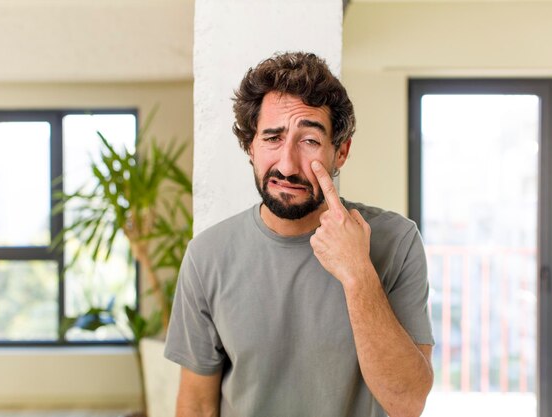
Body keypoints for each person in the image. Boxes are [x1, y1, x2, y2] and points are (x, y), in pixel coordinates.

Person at [164, 51, 434, 417]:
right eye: (272, 138)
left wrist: (358, 273)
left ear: (341, 151)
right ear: (250, 147)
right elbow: (196, 405)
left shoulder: (397, 241)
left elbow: (407, 403)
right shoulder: (207, 256)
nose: (287, 165)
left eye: (309, 141)